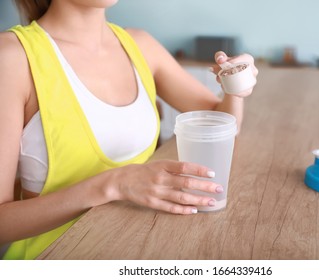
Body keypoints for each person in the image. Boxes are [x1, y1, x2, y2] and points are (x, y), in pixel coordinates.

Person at [0, 0, 258, 259]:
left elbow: (222, 123)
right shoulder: (11, 57)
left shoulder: (140, 45)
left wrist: (235, 85)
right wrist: (113, 184)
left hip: (139, 246)